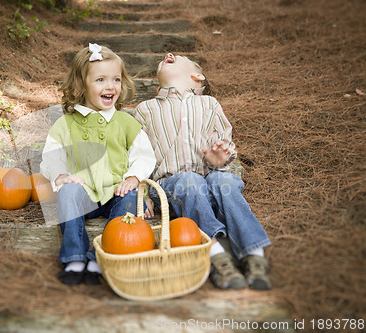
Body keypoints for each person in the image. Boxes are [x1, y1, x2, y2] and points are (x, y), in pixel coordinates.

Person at [134, 53, 272, 290]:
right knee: (189, 181)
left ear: (197, 77)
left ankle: (255, 256)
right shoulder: (145, 109)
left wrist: (220, 159)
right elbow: (137, 156)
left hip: (209, 177)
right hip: (170, 186)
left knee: (224, 181)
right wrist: (143, 191)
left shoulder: (210, 104)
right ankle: (216, 255)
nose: (169, 55)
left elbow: (223, 145)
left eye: (178, 57)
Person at [40, 43, 156, 286]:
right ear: (81, 86)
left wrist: (133, 178)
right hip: (84, 192)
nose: (110, 86)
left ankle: (97, 259)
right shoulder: (67, 124)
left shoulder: (126, 122)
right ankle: (74, 257)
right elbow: (52, 154)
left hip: (116, 190)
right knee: (68, 192)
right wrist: (61, 175)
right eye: (101, 80)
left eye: (116, 79)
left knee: (129, 197)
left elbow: (143, 155)